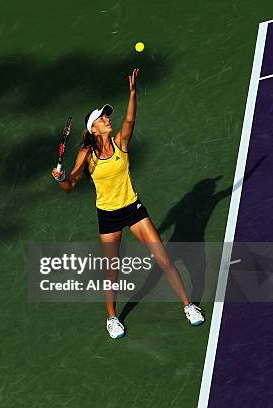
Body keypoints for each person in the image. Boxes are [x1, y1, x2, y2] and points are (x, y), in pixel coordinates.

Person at [51, 69, 204, 339]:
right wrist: (61, 177)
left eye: (107, 115)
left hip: (133, 209)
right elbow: (70, 185)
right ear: (93, 128)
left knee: (164, 260)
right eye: (102, 118)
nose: (107, 118)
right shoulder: (86, 154)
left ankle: (188, 305)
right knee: (112, 271)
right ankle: (112, 318)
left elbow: (131, 118)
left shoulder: (121, 143)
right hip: (108, 216)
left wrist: (133, 93)